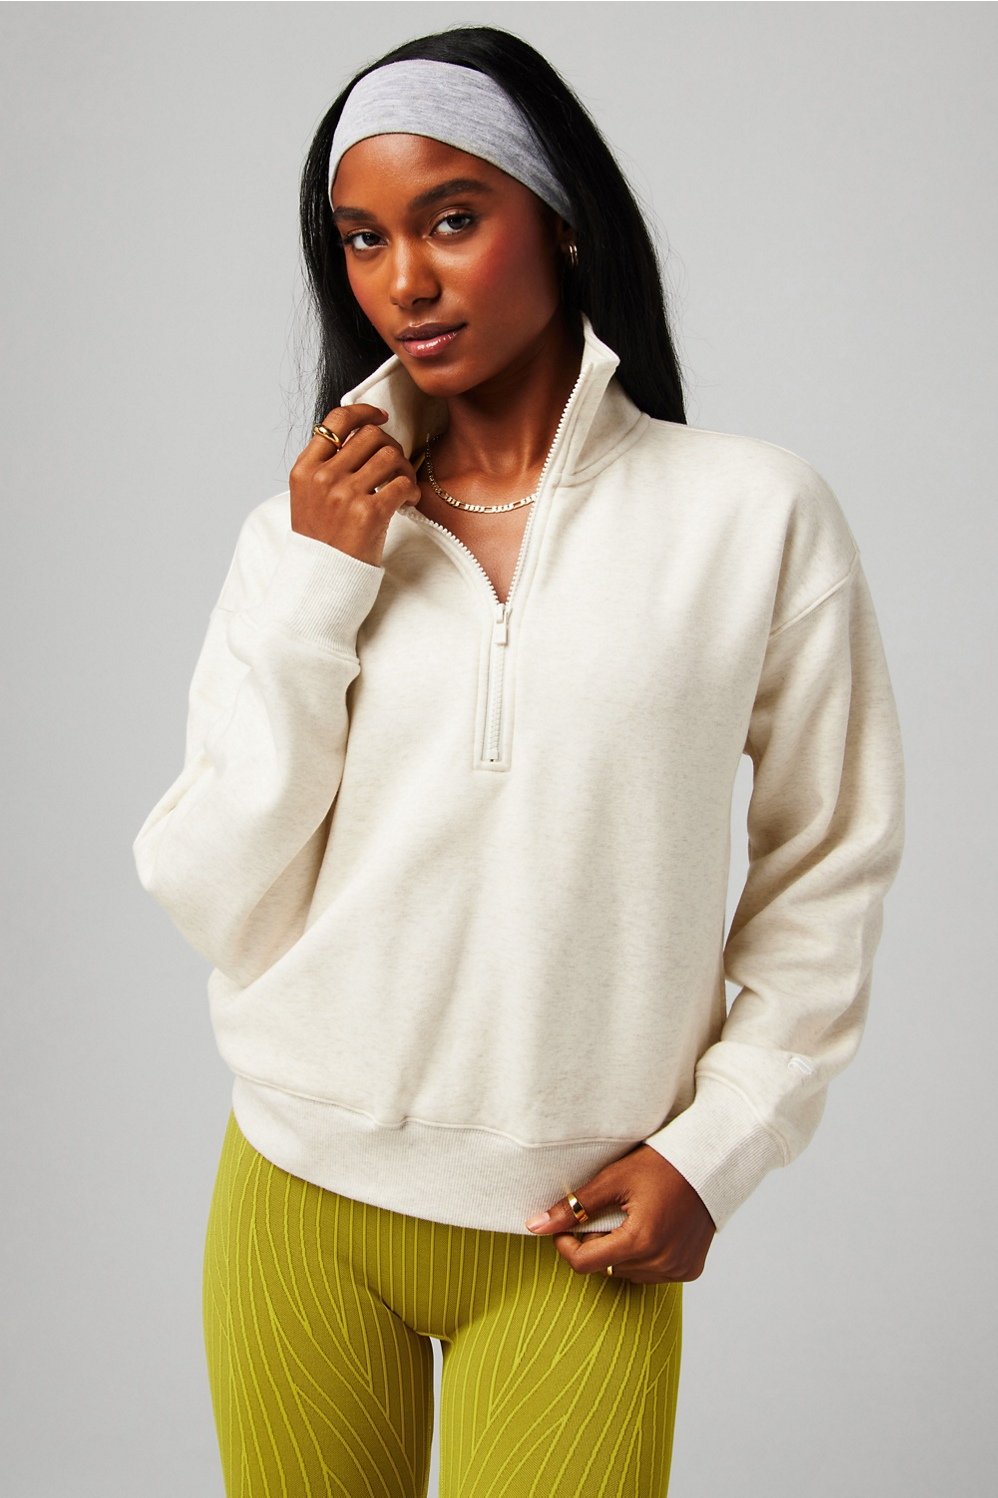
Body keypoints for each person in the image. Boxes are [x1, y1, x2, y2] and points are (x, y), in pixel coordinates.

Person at [132, 23, 905, 1498]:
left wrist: (721, 1142)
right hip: (299, 1192)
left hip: (577, 1226)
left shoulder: (750, 515)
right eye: (363, 238)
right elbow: (212, 885)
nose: (402, 281)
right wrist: (318, 583)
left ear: (559, 218)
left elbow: (831, 862)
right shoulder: (301, 539)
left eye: (450, 219)